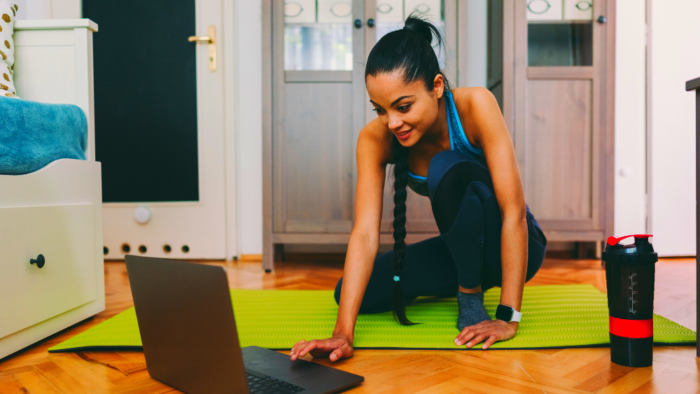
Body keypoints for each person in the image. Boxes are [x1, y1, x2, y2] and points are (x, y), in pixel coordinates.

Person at [290, 14, 547, 362]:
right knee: (352, 296)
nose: (392, 122)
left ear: (437, 86)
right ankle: (460, 278)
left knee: (446, 164)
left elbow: (513, 212)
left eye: (404, 106)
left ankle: (469, 294)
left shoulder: (476, 106)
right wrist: (342, 333)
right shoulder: (373, 139)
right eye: (380, 109)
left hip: (518, 244)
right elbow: (365, 234)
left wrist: (508, 318)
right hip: (464, 251)